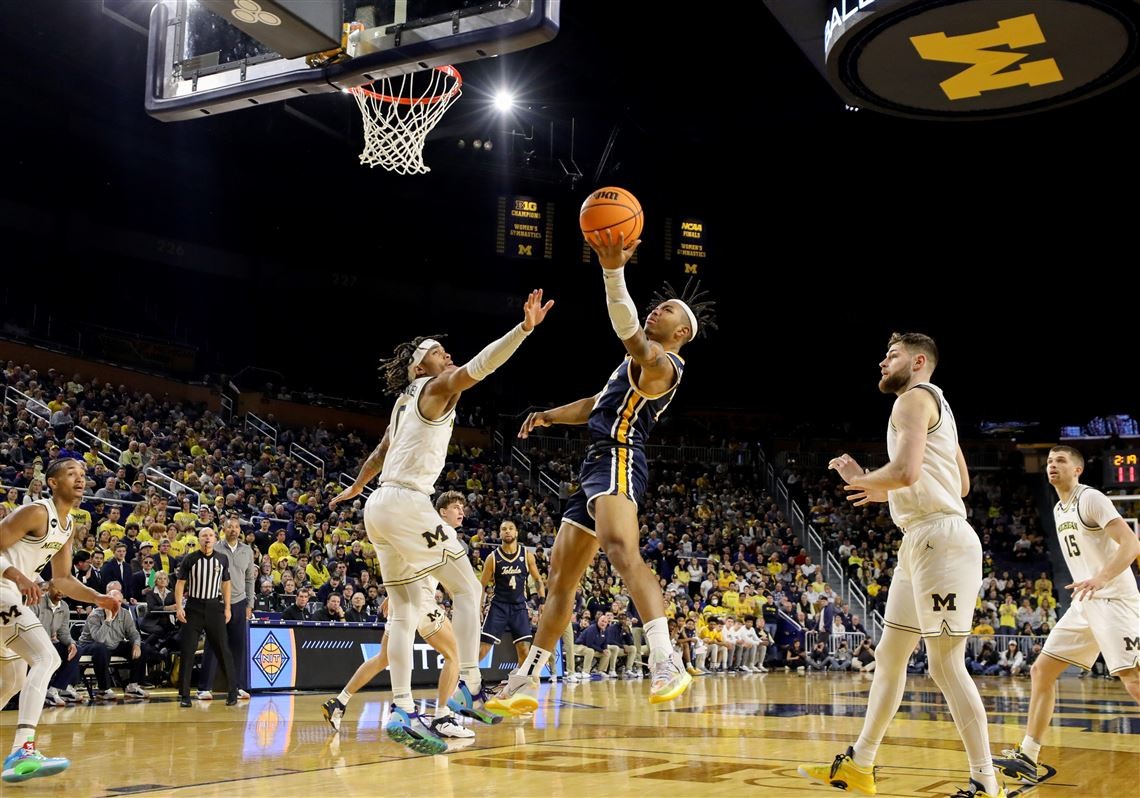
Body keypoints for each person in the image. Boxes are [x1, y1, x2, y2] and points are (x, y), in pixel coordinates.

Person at [488, 233, 715, 715]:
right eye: (657, 305)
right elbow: (595, 405)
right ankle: (528, 678)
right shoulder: (631, 366)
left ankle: (666, 659)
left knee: (620, 550)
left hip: (620, 456)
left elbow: (631, 336)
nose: (657, 310)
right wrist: (550, 414)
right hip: (594, 462)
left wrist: (613, 271)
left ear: (682, 334)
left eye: (668, 309)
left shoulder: (664, 364)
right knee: (559, 582)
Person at [330, 288, 552, 755]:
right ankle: (469, 683)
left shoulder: (401, 403)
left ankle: (404, 710)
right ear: (419, 367)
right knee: (469, 588)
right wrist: (525, 329)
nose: (445, 354)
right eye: (435, 351)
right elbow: (482, 366)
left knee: (406, 611)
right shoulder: (437, 386)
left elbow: (379, 451)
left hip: (378, 508)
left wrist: (356, 486)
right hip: (409, 503)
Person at [798, 332, 1004, 798]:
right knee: (890, 656)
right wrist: (888, 484)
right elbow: (963, 482)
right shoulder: (941, 406)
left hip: (940, 538)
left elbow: (909, 474)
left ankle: (986, 783)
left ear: (917, 361)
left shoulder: (912, 399)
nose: (881, 362)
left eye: (890, 355)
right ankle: (861, 763)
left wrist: (865, 480)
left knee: (945, 666)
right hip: (922, 539)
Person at [994, 445, 1140, 785]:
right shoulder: (1060, 508)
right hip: (1085, 602)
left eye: (1060, 461)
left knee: (1133, 680)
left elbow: (1131, 544)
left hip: (1113, 599)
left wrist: (1102, 577)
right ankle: (1028, 755)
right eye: (1048, 462)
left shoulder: (1090, 498)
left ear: (1078, 469)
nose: (1052, 466)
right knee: (1042, 670)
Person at [321, 491, 483, 746]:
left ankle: (339, 702)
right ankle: (442, 718)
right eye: (455, 507)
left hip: (403, 596)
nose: (461, 511)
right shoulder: (444, 532)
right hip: (421, 600)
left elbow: (405, 558)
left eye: (462, 507)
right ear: (442, 512)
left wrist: (392, 593)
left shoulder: (422, 527)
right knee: (456, 656)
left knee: (384, 657)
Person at [0, 458, 120, 783]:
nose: (80, 479)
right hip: (2, 589)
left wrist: (98, 598)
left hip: (9, 596)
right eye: (71, 474)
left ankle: (16, 756)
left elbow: (63, 581)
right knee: (46, 657)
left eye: (83, 474)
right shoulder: (37, 512)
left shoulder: (66, 528)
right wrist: (17, 575)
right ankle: (23, 750)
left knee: (11, 682)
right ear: (52, 482)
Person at [174, 527, 238, 707]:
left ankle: (233, 691)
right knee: (187, 650)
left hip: (214, 607)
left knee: (223, 650)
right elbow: (180, 585)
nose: (207, 538)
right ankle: (185, 695)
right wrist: (179, 607)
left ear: (215, 538)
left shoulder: (222, 558)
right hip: (193, 607)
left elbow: (226, 584)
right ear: (199, 539)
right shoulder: (190, 558)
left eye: (210, 535)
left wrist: (227, 608)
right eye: (204, 536)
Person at [197, 517, 256, 701]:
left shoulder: (247, 550)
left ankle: (236, 687)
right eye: (230, 526)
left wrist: (250, 604)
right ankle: (204, 688)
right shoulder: (214, 548)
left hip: (239, 602)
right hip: (216, 602)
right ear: (223, 529)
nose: (234, 529)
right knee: (213, 645)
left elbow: (249, 579)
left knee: (238, 647)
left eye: (237, 527)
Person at [479, 520, 546, 662]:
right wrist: (479, 606)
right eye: (504, 529)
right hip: (498, 606)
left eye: (510, 528)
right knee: (483, 648)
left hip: (519, 607)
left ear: (516, 533)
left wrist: (542, 602)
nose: (507, 531)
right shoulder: (492, 558)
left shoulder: (527, 555)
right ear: (500, 534)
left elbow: (538, 580)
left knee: (524, 649)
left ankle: (520, 683)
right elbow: (482, 585)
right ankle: (463, 677)